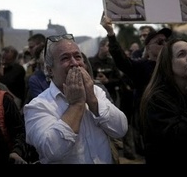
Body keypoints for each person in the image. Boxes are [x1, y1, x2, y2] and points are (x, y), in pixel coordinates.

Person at [23, 34, 128, 164]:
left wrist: (93, 101)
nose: (74, 63)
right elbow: (52, 152)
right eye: (65, 58)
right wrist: (76, 105)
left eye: (77, 57)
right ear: (50, 70)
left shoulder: (96, 92)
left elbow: (121, 129)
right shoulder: (37, 106)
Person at [101, 14, 172, 158]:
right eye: (159, 42)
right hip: (154, 128)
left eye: (166, 41)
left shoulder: (175, 67)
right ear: (148, 48)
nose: (164, 45)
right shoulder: (141, 67)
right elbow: (121, 60)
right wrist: (111, 33)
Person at [88, 38, 123, 106]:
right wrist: (96, 81)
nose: (110, 49)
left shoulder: (112, 62)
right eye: (108, 46)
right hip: (96, 97)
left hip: (111, 97)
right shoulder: (90, 62)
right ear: (101, 47)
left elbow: (119, 80)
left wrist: (107, 81)